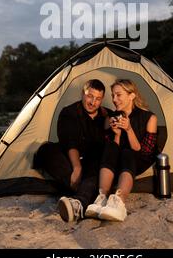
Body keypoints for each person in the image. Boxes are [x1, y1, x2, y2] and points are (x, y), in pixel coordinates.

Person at [33, 79, 111, 222]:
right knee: (47, 149)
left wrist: (108, 123)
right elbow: (70, 143)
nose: (93, 102)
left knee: (97, 163)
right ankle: (85, 189)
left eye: (98, 99)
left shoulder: (107, 116)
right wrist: (76, 167)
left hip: (92, 163)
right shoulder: (68, 112)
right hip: (70, 160)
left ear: (102, 99)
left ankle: (78, 201)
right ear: (83, 93)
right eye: (90, 96)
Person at [85, 79, 157, 222]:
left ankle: (118, 201)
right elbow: (109, 151)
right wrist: (116, 134)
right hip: (115, 162)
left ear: (131, 96)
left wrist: (129, 129)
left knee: (128, 151)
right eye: (112, 95)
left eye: (118, 95)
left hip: (137, 159)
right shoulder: (110, 118)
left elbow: (144, 151)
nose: (114, 100)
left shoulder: (149, 117)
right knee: (112, 146)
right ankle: (102, 197)